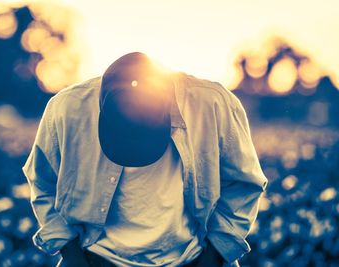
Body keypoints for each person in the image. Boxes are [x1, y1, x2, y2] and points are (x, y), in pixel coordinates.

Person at [22, 52, 268, 267]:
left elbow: (244, 183)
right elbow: (42, 183)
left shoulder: (213, 104)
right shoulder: (66, 109)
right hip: (93, 258)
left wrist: (214, 256)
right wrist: (73, 256)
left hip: (193, 258)